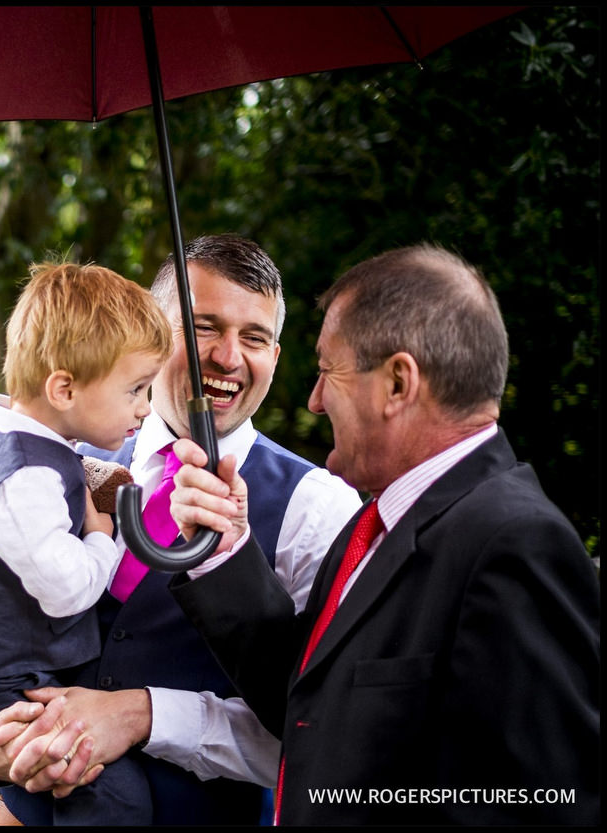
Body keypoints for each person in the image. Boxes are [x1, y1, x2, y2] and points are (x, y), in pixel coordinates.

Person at [0, 235, 363, 825]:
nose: (228, 357)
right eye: (203, 327)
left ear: (275, 358)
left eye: (253, 337)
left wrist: (144, 715)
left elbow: (326, 735)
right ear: (152, 335)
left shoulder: (318, 508)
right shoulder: (47, 464)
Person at [164, 244, 600, 825]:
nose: (315, 402)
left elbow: (546, 802)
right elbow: (305, 702)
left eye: (328, 371)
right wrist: (225, 551)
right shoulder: (372, 527)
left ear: (398, 383)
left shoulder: (516, 543)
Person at [0, 260, 172, 825]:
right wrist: (106, 539)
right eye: (134, 389)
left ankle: (11, 809)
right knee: (113, 795)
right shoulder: (24, 477)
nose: (145, 407)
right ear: (64, 388)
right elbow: (65, 588)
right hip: (10, 689)